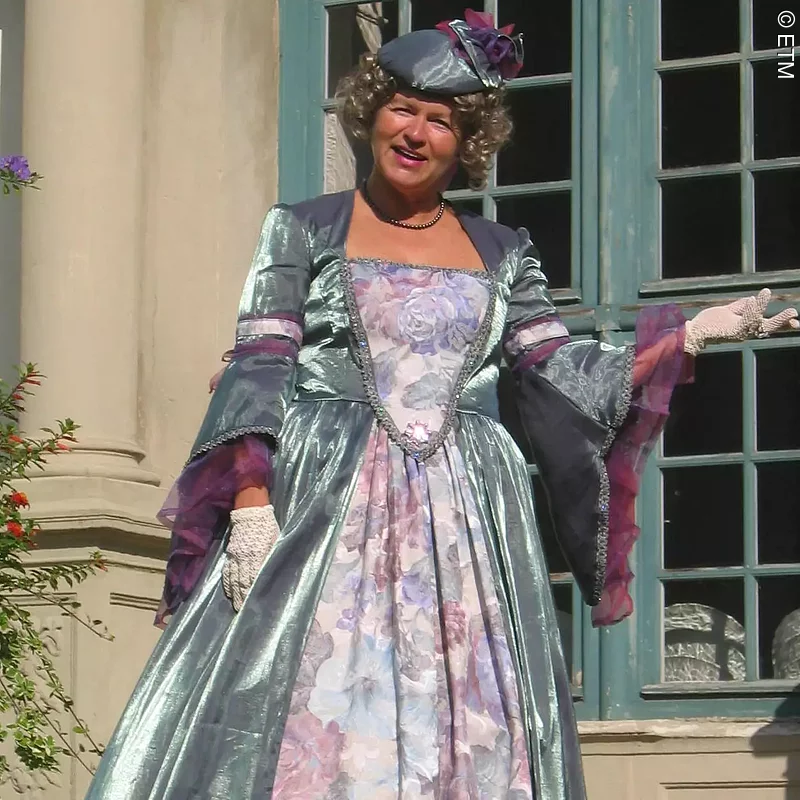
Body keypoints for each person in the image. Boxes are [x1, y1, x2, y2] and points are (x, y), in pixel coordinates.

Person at [85, 11, 798, 799]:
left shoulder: (504, 250)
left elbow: (559, 370)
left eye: (441, 120)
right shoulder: (303, 228)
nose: (415, 133)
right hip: (324, 501)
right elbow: (260, 363)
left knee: (467, 716)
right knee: (307, 704)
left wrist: (690, 334)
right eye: (402, 109)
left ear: (468, 142)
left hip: (463, 516)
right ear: (371, 112)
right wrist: (250, 504)